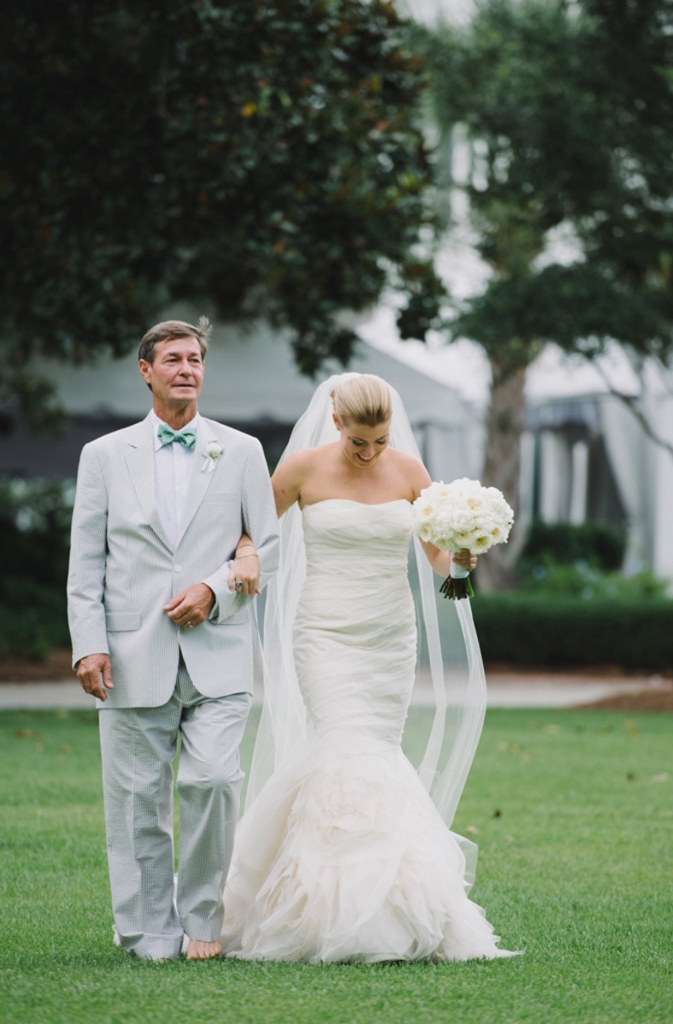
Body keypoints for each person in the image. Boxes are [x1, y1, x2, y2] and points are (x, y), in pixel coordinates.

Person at [220, 373, 516, 962]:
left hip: (388, 636)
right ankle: (316, 911)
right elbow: (248, 529)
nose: (370, 452)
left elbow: (438, 560)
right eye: (360, 441)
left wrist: (461, 557)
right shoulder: (302, 469)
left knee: (376, 753)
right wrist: (245, 556)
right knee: (342, 748)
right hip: (324, 633)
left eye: (379, 441)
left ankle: (393, 910)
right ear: (337, 423)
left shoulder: (409, 472)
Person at [67, 318, 279, 961]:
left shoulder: (242, 450)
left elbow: (266, 543)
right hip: (132, 653)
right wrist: (88, 643)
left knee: (213, 782)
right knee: (137, 802)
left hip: (220, 656)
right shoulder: (103, 455)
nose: (186, 368)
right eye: (173, 359)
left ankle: (204, 920)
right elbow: (87, 560)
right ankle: (147, 933)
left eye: (195, 359)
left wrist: (216, 589)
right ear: (146, 370)